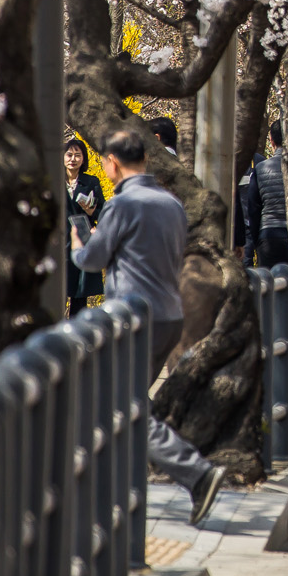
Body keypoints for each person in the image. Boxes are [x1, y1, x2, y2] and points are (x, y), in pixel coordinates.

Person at [68, 129, 227, 524]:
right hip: (170, 315)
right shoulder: (171, 204)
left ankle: (196, 473)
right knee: (129, 402)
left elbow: (92, 258)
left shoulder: (122, 205)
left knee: (124, 406)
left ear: (113, 163)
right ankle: (122, 488)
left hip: (133, 318)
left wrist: (76, 242)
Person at [236, 121, 288, 267]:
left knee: (270, 282)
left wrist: (257, 238)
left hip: (269, 235)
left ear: (271, 140)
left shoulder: (260, 167)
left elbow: (254, 207)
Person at [64, 139, 107, 310]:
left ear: (83, 159)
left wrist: (92, 214)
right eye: (69, 155)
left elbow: (103, 212)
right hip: (60, 239)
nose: (72, 159)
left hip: (82, 239)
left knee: (79, 293)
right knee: (57, 290)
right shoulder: (54, 180)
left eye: (77, 155)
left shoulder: (91, 182)